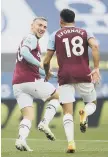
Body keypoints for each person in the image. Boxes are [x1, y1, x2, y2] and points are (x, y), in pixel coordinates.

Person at [43, 9, 100, 153]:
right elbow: (95, 46)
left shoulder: (54, 35)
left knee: (67, 112)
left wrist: (47, 72)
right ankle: (85, 113)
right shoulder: (85, 32)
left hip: (65, 76)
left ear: (61, 21)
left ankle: (71, 144)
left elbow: (47, 60)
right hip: (83, 73)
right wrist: (97, 68)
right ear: (74, 20)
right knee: (91, 103)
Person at [12, 17, 60, 151]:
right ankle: (44, 123)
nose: (42, 28)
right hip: (30, 80)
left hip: (18, 84)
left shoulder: (30, 40)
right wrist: (41, 63)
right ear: (32, 25)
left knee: (28, 116)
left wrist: (51, 74)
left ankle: (21, 140)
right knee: (58, 96)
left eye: (45, 27)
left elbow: (36, 67)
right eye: (40, 25)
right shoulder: (31, 38)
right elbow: (25, 53)